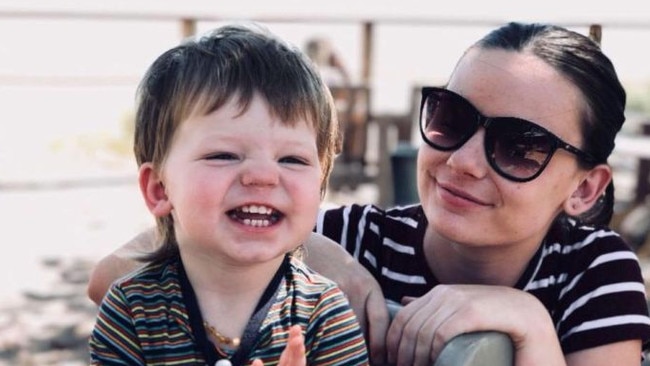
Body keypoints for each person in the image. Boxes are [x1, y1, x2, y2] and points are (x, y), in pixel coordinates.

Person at [88, 22, 650, 365]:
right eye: (452, 118)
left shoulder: (594, 272)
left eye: (520, 147)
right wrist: (315, 247)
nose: (463, 160)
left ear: (584, 189)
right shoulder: (356, 238)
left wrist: (526, 320)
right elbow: (110, 276)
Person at [88, 24, 368, 366]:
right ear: (160, 188)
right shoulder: (131, 310)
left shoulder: (325, 315)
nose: (263, 176)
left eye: (292, 159)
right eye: (223, 155)